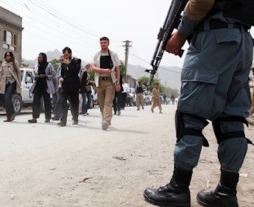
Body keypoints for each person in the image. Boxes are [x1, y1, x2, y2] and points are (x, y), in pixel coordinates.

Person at [143, 1, 253, 207]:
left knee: (191, 115)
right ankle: (227, 191)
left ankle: (178, 188)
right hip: (243, 41)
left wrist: (182, 33)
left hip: (214, 39)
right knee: (231, 118)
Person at [91, 36, 121, 130]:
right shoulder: (96, 55)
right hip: (99, 81)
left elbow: (117, 69)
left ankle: (106, 121)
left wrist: (117, 83)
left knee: (108, 102)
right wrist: (103, 70)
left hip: (110, 81)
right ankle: (106, 118)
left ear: (108, 43)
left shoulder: (114, 55)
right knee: (101, 103)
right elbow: (93, 68)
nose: (103, 44)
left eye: (104, 42)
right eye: (101, 43)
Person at [28, 52, 56, 123]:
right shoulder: (36, 66)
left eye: (40, 57)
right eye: (38, 57)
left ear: (44, 58)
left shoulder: (49, 65)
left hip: (46, 85)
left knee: (47, 101)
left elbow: (53, 74)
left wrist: (45, 76)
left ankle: (48, 117)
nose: (39, 58)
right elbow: (34, 74)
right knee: (36, 101)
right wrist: (36, 76)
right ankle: (34, 117)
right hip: (38, 85)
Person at [57, 47, 81, 127]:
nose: (65, 56)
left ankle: (75, 118)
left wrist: (68, 63)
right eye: (64, 55)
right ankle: (63, 121)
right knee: (62, 101)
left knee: (74, 103)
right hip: (65, 85)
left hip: (74, 86)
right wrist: (61, 77)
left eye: (67, 55)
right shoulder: (63, 62)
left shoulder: (77, 61)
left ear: (70, 53)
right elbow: (63, 73)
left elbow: (76, 70)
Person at [0, 51, 21, 122]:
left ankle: (12, 113)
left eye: (9, 55)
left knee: (8, 97)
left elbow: (18, 73)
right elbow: (1, 73)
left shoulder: (15, 62)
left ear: (11, 56)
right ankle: (8, 116)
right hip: (5, 82)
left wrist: (19, 83)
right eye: (6, 55)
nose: (8, 57)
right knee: (6, 99)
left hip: (12, 82)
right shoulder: (3, 63)